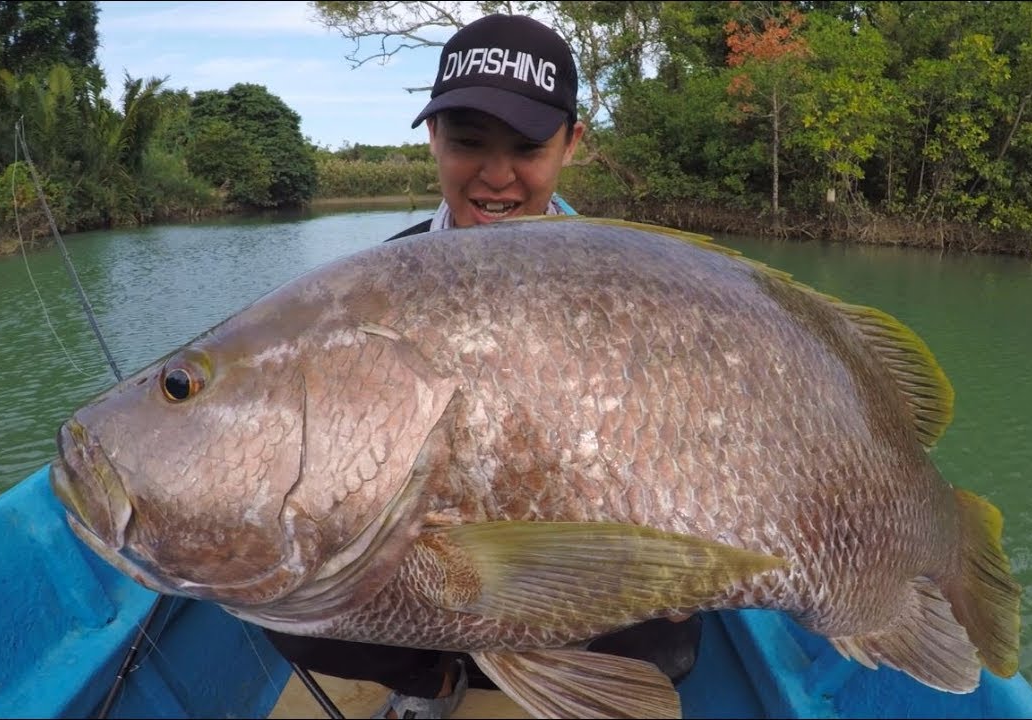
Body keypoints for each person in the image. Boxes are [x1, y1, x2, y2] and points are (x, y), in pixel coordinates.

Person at [262, 13, 702, 720]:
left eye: (527, 146)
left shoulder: (644, 286)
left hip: (588, 589)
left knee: (665, 626)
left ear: (572, 144)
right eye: (469, 142)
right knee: (274, 579)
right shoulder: (370, 293)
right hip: (431, 587)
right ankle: (430, 683)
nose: (497, 177)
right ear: (433, 138)